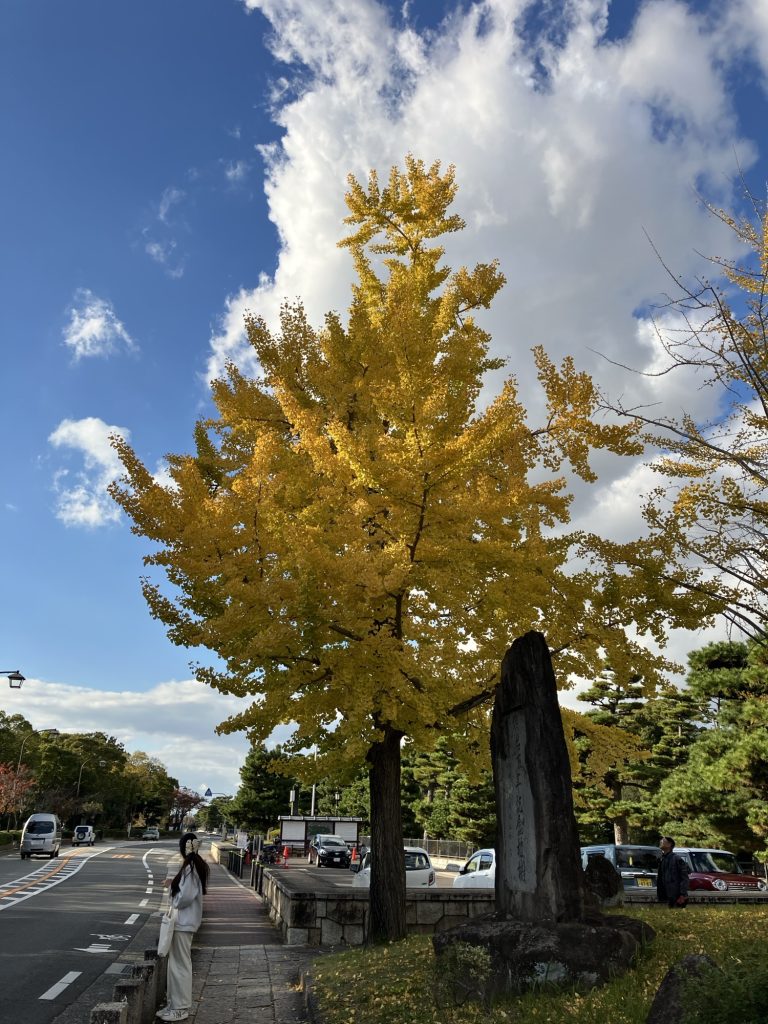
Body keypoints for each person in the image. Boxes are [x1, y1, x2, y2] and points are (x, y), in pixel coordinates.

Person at [157, 832, 209, 1022]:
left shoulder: (190, 868)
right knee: (176, 965)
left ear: (183, 848)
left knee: (180, 966)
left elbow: (183, 898)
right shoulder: (195, 865)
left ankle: (180, 1007)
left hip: (183, 923)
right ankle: (174, 1004)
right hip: (183, 923)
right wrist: (173, 883)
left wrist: (172, 889)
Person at [656, 836, 689, 908]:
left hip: (677, 897)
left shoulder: (677, 859)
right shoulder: (662, 859)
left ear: (669, 844)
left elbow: (684, 878)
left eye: (663, 841)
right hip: (666, 896)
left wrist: (682, 894)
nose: (661, 842)